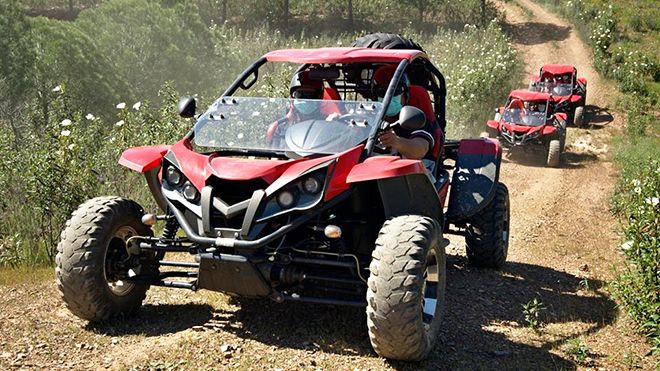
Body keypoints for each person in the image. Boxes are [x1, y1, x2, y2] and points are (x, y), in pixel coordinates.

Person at [371, 65, 438, 182]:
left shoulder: (416, 118)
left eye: (396, 91)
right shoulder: (367, 120)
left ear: (405, 95)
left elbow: (420, 150)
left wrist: (396, 141)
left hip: (411, 181)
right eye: (382, 92)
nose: (389, 97)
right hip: (368, 178)